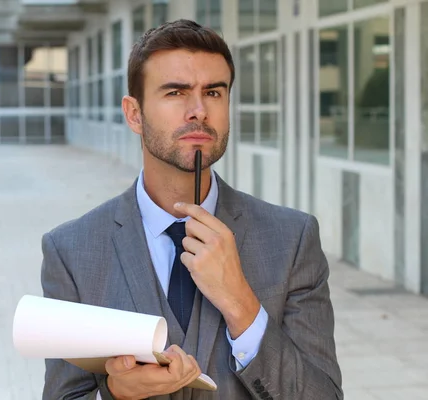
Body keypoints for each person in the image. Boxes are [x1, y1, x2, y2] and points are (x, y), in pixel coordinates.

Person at [40, 19, 343, 400]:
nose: (198, 110)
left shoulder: (292, 239)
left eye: (214, 93)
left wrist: (241, 304)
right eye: (176, 92)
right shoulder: (72, 250)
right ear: (134, 114)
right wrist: (114, 394)